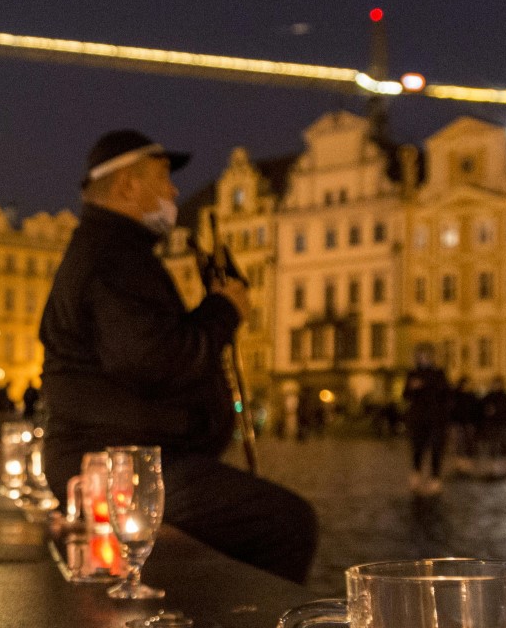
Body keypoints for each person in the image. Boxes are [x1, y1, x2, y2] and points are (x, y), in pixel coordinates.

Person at [39, 129, 316, 584]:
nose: (173, 192)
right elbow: (156, 360)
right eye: (164, 178)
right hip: (114, 463)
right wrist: (225, 309)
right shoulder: (114, 257)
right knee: (285, 523)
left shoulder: (111, 250)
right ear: (127, 185)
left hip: (115, 456)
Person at [402, 346, 452, 495]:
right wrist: (413, 388)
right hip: (418, 417)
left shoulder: (438, 373)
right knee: (417, 448)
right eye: (420, 355)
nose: (423, 358)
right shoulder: (412, 373)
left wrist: (425, 385)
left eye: (426, 356)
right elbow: (405, 395)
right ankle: (416, 474)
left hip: (436, 418)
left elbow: (445, 393)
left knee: (436, 449)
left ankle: (435, 478)